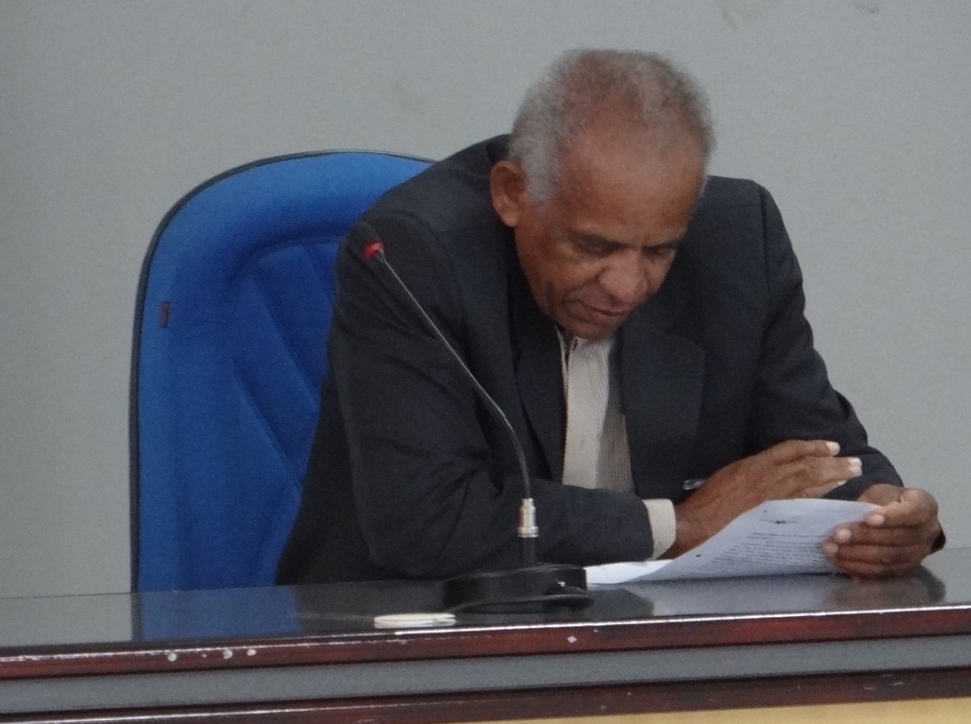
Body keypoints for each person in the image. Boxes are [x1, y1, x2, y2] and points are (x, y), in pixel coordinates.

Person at [277, 50, 941, 585]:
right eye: (594, 247)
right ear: (513, 193)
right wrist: (675, 526)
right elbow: (428, 519)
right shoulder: (414, 255)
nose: (627, 286)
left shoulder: (739, 241)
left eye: (659, 251)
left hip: (649, 642)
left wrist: (882, 512)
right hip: (415, 638)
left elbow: (818, 452)